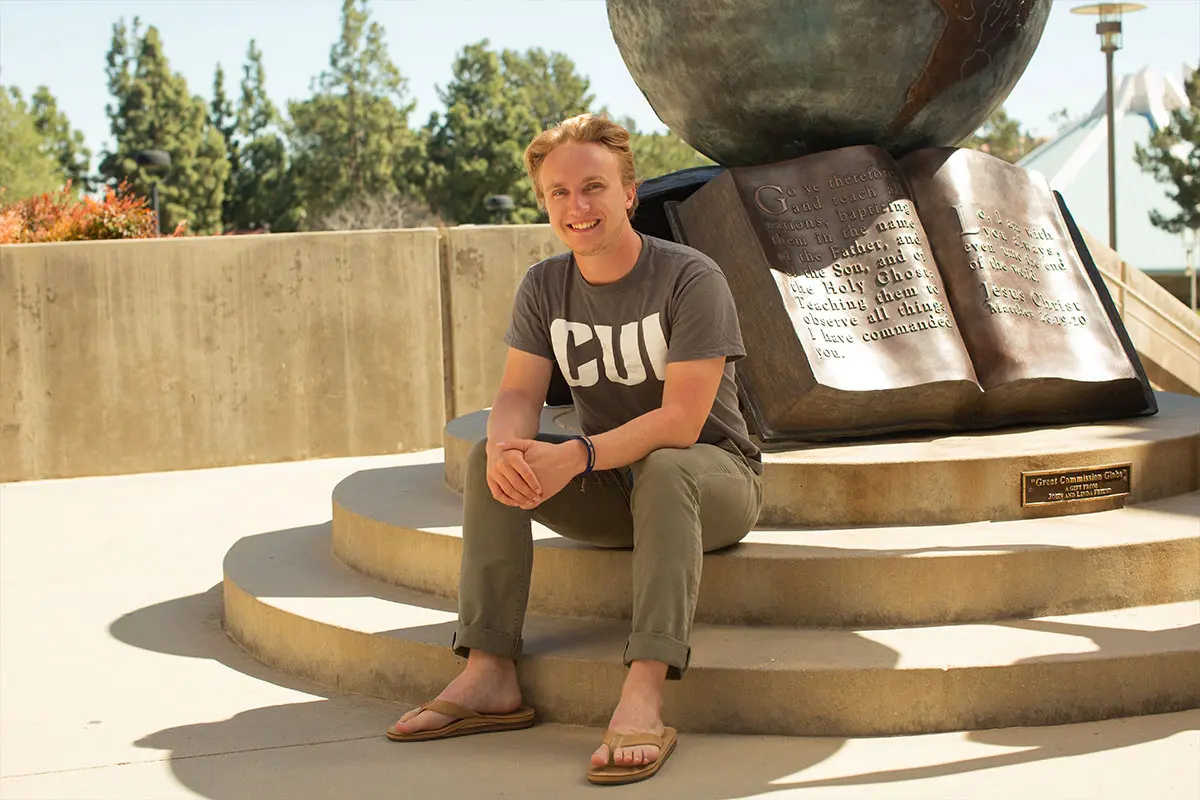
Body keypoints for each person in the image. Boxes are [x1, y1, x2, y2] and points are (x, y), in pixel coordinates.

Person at [386, 114, 763, 786]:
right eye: (559, 192)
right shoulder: (544, 285)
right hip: (616, 488)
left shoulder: (690, 278)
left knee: (666, 466)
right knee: (492, 458)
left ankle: (644, 692)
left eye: (593, 187)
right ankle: (489, 671)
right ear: (544, 203)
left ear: (629, 194)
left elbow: (681, 422)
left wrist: (578, 454)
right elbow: (517, 393)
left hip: (712, 484)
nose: (577, 206)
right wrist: (508, 447)